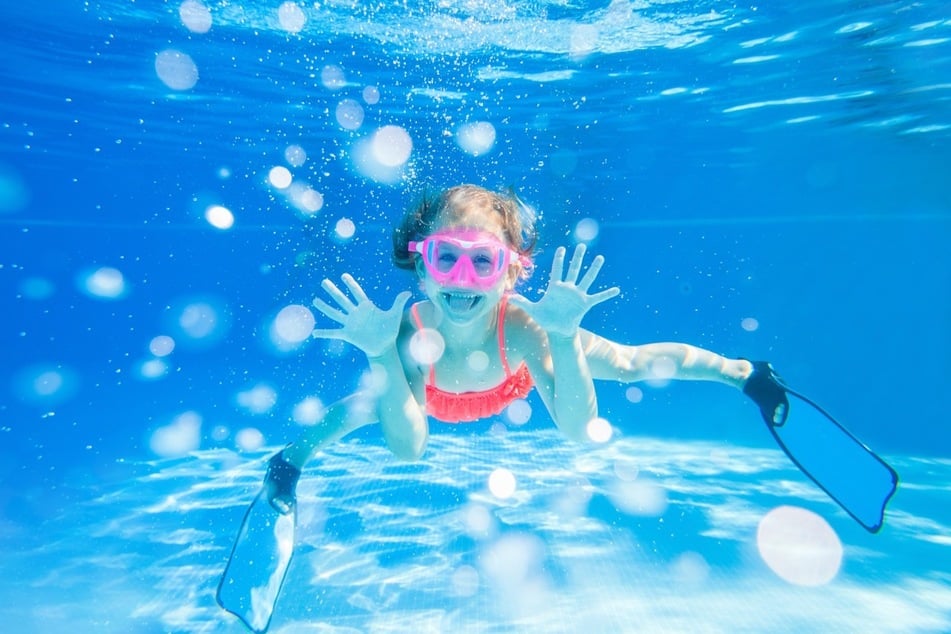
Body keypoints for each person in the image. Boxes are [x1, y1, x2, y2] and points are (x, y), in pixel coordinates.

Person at [262, 184, 788, 513]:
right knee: (361, 408)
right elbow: (409, 450)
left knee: (628, 363)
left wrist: (562, 335)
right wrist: (379, 353)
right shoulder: (405, 335)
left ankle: (743, 372)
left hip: (518, 367)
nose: (462, 280)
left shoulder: (525, 326)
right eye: (447, 258)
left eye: (483, 262)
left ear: (512, 271)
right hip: (429, 393)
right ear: (422, 266)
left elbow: (581, 431)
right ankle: (289, 460)